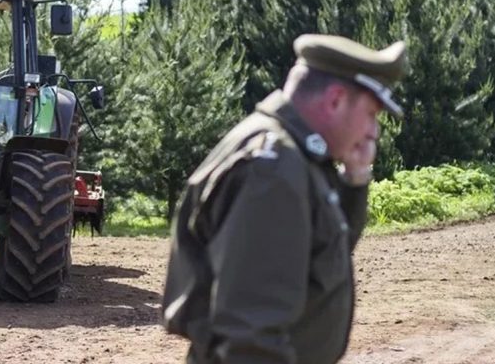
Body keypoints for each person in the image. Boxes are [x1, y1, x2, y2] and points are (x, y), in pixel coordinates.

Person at [162, 34, 407, 364]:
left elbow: (326, 250)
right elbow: (251, 335)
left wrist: (356, 178)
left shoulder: (293, 155)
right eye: (371, 114)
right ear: (335, 100)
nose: (373, 131)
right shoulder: (274, 168)